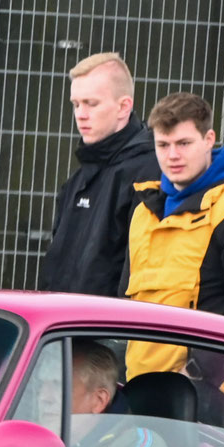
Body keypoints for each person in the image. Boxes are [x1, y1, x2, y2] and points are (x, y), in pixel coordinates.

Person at [123, 91, 224, 377]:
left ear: (209, 139)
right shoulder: (144, 211)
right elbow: (122, 306)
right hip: (140, 389)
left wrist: (197, 375)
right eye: (163, 144)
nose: (172, 156)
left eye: (184, 143)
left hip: (209, 399)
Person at [38, 52, 159, 297]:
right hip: (66, 326)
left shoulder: (148, 174)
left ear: (124, 106)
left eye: (91, 103)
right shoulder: (79, 179)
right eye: (76, 104)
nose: (80, 114)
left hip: (109, 329)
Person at [67, 339, 169, 447]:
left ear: (99, 401)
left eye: (59, 387)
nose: (44, 397)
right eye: (40, 385)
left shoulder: (136, 445)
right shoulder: (51, 438)